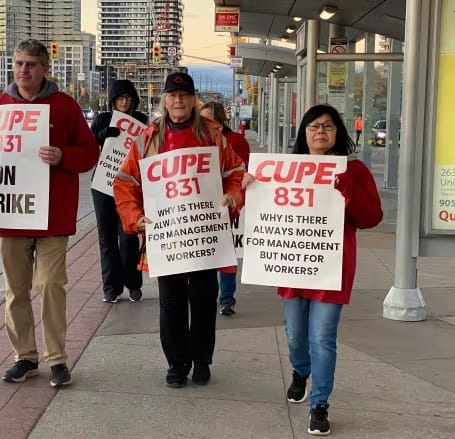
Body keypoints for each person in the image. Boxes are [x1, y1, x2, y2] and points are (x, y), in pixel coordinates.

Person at [243, 104, 382, 435]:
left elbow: (371, 218)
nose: (321, 132)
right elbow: (262, 212)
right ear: (303, 132)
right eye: (314, 126)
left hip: (331, 268)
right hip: (292, 266)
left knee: (323, 337)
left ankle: (320, 405)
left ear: (339, 133)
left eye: (328, 126)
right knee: (294, 334)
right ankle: (300, 371)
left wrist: (348, 189)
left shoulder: (355, 170)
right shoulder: (281, 169)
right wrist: (250, 187)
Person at [0, 39, 99, 388]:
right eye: (19, 64)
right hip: (13, 215)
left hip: (53, 216)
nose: (23, 70)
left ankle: (57, 358)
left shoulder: (65, 107)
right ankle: (25, 356)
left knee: (52, 285)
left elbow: (90, 154)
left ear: (45, 69)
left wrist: (64, 156)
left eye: (30, 64)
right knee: (16, 291)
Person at [113, 72, 245, 388]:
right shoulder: (147, 139)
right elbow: (124, 183)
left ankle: (201, 360)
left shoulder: (213, 136)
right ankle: (176, 364)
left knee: (202, 299)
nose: (178, 101)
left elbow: (236, 174)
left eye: (184, 96)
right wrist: (136, 217)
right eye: (172, 95)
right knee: (171, 304)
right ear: (165, 99)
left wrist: (232, 197)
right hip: (167, 237)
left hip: (202, 234)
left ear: (193, 100)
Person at [90, 80, 148, 303]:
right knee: (107, 240)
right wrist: (101, 135)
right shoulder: (103, 119)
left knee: (129, 238)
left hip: (130, 186)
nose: (124, 102)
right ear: (113, 100)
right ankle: (111, 288)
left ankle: (133, 284)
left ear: (133, 99)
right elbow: (88, 145)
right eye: (120, 98)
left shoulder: (142, 121)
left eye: (128, 98)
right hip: (103, 185)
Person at [200, 101, 250, 317]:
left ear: (219, 119)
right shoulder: (199, 139)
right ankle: (205, 295)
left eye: (208, 119)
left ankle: (227, 298)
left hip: (225, 205)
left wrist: (236, 199)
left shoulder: (235, 141)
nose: (204, 123)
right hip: (200, 207)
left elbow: (243, 173)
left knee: (226, 253)